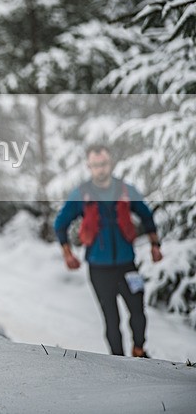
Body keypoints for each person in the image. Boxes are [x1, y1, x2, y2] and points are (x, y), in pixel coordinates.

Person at [53, 144, 163, 357]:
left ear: (110, 163)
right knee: (111, 319)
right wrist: (67, 253)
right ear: (89, 166)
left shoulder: (125, 190)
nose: (100, 169)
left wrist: (155, 245)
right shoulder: (82, 194)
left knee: (138, 311)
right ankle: (118, 361)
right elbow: (60, 224)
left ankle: (139, 349)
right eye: (95, 165)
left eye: (103, 164)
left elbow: (146, 215)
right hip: (99, 269)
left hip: (127, 265)